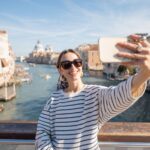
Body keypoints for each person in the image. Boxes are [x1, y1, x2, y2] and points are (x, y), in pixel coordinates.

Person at [35, 34, 150, 150]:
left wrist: (145, 73)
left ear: (81, 65)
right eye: (66, 65)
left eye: (77, 62)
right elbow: (42, 132)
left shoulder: (95, 95)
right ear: (61, 70)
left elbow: (121, 94)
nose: (73, 68)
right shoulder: (53, 100)